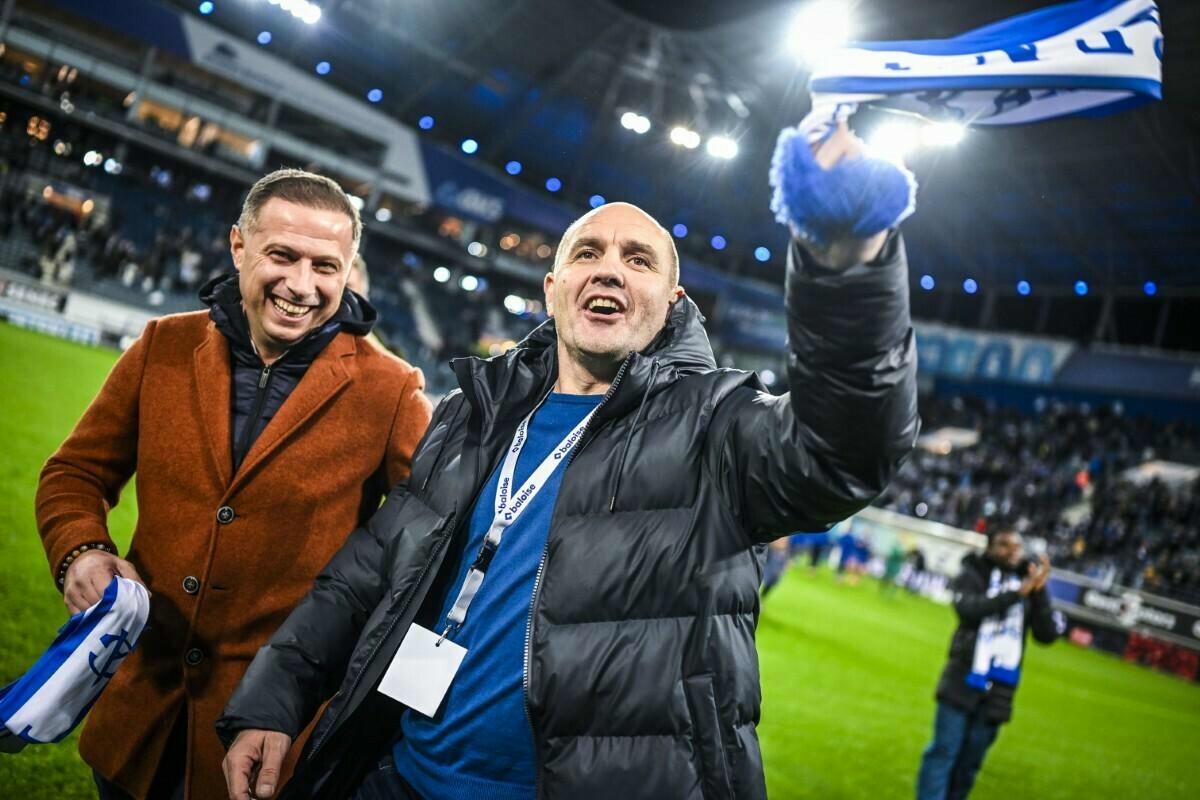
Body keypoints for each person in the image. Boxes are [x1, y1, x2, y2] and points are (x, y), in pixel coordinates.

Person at [218, 125, 919, 799]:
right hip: (399, 777)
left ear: (671, 304)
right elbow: (365, 576)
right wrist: (276, 698)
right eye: (588, 253)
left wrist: (847, 265)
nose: (609, 267)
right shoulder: (473, 413)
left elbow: (846, 449)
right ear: (553, 290)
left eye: (638, 260)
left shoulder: (716, 426)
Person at [35, 169, 433, 800]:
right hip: (137, 713)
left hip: (268, 737)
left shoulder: (392, 390)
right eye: (283, 255)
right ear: (238, 246)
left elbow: (430, 555)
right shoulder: (164, 344)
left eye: (325, 266)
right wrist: (81, 550)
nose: (301, 285)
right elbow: (75, 473)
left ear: (349, 271)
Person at [916, 529, 1058, 799]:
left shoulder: (1029, 583)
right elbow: (968, 610)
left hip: (1000, 690)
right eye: (1004, 544)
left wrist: (1038, 593)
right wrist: (1016, 594)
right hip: (962, 679)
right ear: (990, 547)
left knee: (969, 764)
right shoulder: (972, 573)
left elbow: (1047, 635)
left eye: (1016, 546)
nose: (1012, 551)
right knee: (943, 752)